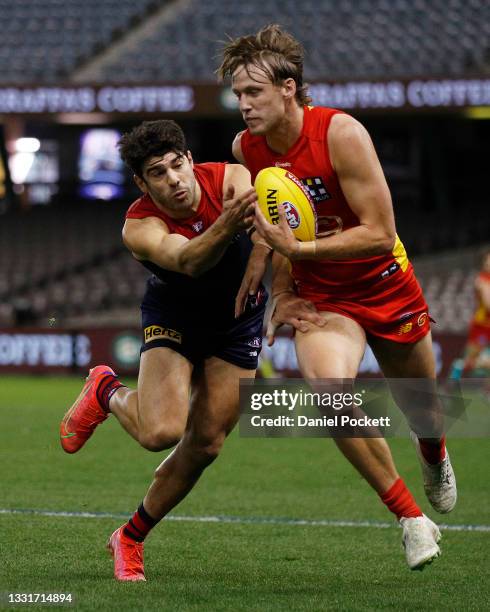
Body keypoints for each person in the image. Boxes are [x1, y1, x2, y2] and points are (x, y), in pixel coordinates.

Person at [218, 24, 456, 570]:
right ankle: (411, 519)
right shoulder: (246, 148)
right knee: (329, 392)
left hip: (384, 283)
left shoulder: (341, 133)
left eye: (253, 92)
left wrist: (296, 252)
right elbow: (276, 227)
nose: (243, 105)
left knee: (423, 409)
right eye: (237, 95)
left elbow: (378, 230)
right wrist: (282, 290)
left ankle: (434, 455)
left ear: (288, 87)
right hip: (324, 298)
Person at [59, 119, 274, 582]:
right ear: (142, 182)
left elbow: (270, 221)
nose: (174, 179)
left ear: (191, 160)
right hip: (175, 319)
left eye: (178, 165)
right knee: (159, 432)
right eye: (158, 173)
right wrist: (228, 224)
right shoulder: (140, 226)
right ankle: (107, 391)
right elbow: (190, 260)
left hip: (238, 322)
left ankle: (131, 536)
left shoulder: (232, 178)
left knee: (207, 444)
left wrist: (259, 248)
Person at [461, 249, 490, 377]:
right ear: (484, 263)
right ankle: (451, 383)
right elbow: (488, 304)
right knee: (470, 360)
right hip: (482, 325)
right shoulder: (482, 280)